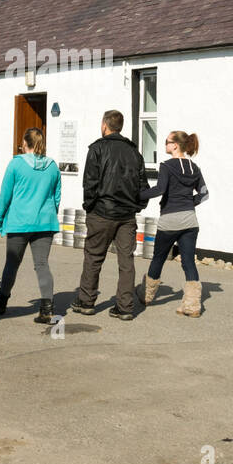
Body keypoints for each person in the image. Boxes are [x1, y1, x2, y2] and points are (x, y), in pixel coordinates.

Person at [73, 110, 148, 320]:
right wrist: (137, 206)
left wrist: (90, 206)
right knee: (126, 261)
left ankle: (86, 301)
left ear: (105, 125)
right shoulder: (134, 152)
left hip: (102, 212)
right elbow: (143, 185)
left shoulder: (97, 148)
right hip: (126, 215)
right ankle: (125, 307)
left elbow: (90, 182)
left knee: (94, 257)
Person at [0, 127, 61, 322]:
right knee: (42, 264)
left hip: (19, 222)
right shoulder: (53, 166)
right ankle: (47, 308)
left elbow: (5, 195)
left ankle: (1, 301)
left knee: (12, 263)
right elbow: (56, 197)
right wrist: (50, 214)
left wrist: (0, 219)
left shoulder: (16, 165)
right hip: (45, 222)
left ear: (25, 144)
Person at [139, 131, 208, 317]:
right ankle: (193, 306)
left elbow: (160, 189)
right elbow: (204, 194)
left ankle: (146, 296)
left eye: (167, 142)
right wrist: (189, 204)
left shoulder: (167, 166)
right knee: (188, 262)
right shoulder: (194, 167)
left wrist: (136, 195)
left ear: (175, 145)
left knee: (158, 258)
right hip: (190, 220)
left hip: (170, 220)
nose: (165, 145)